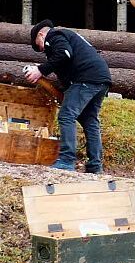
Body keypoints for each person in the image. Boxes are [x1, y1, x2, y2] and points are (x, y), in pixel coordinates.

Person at [25, 21, 112, 173]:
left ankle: (66, 160)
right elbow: (65, 64)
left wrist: (40, 70)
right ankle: (95, 166)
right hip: (100, 79)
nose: (42, 50)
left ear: (41, 34)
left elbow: (64, 54)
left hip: (87, 78)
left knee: (66, 115)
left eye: (39, 45)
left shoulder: (54, 36)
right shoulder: (67, 37)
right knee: (89, 120)